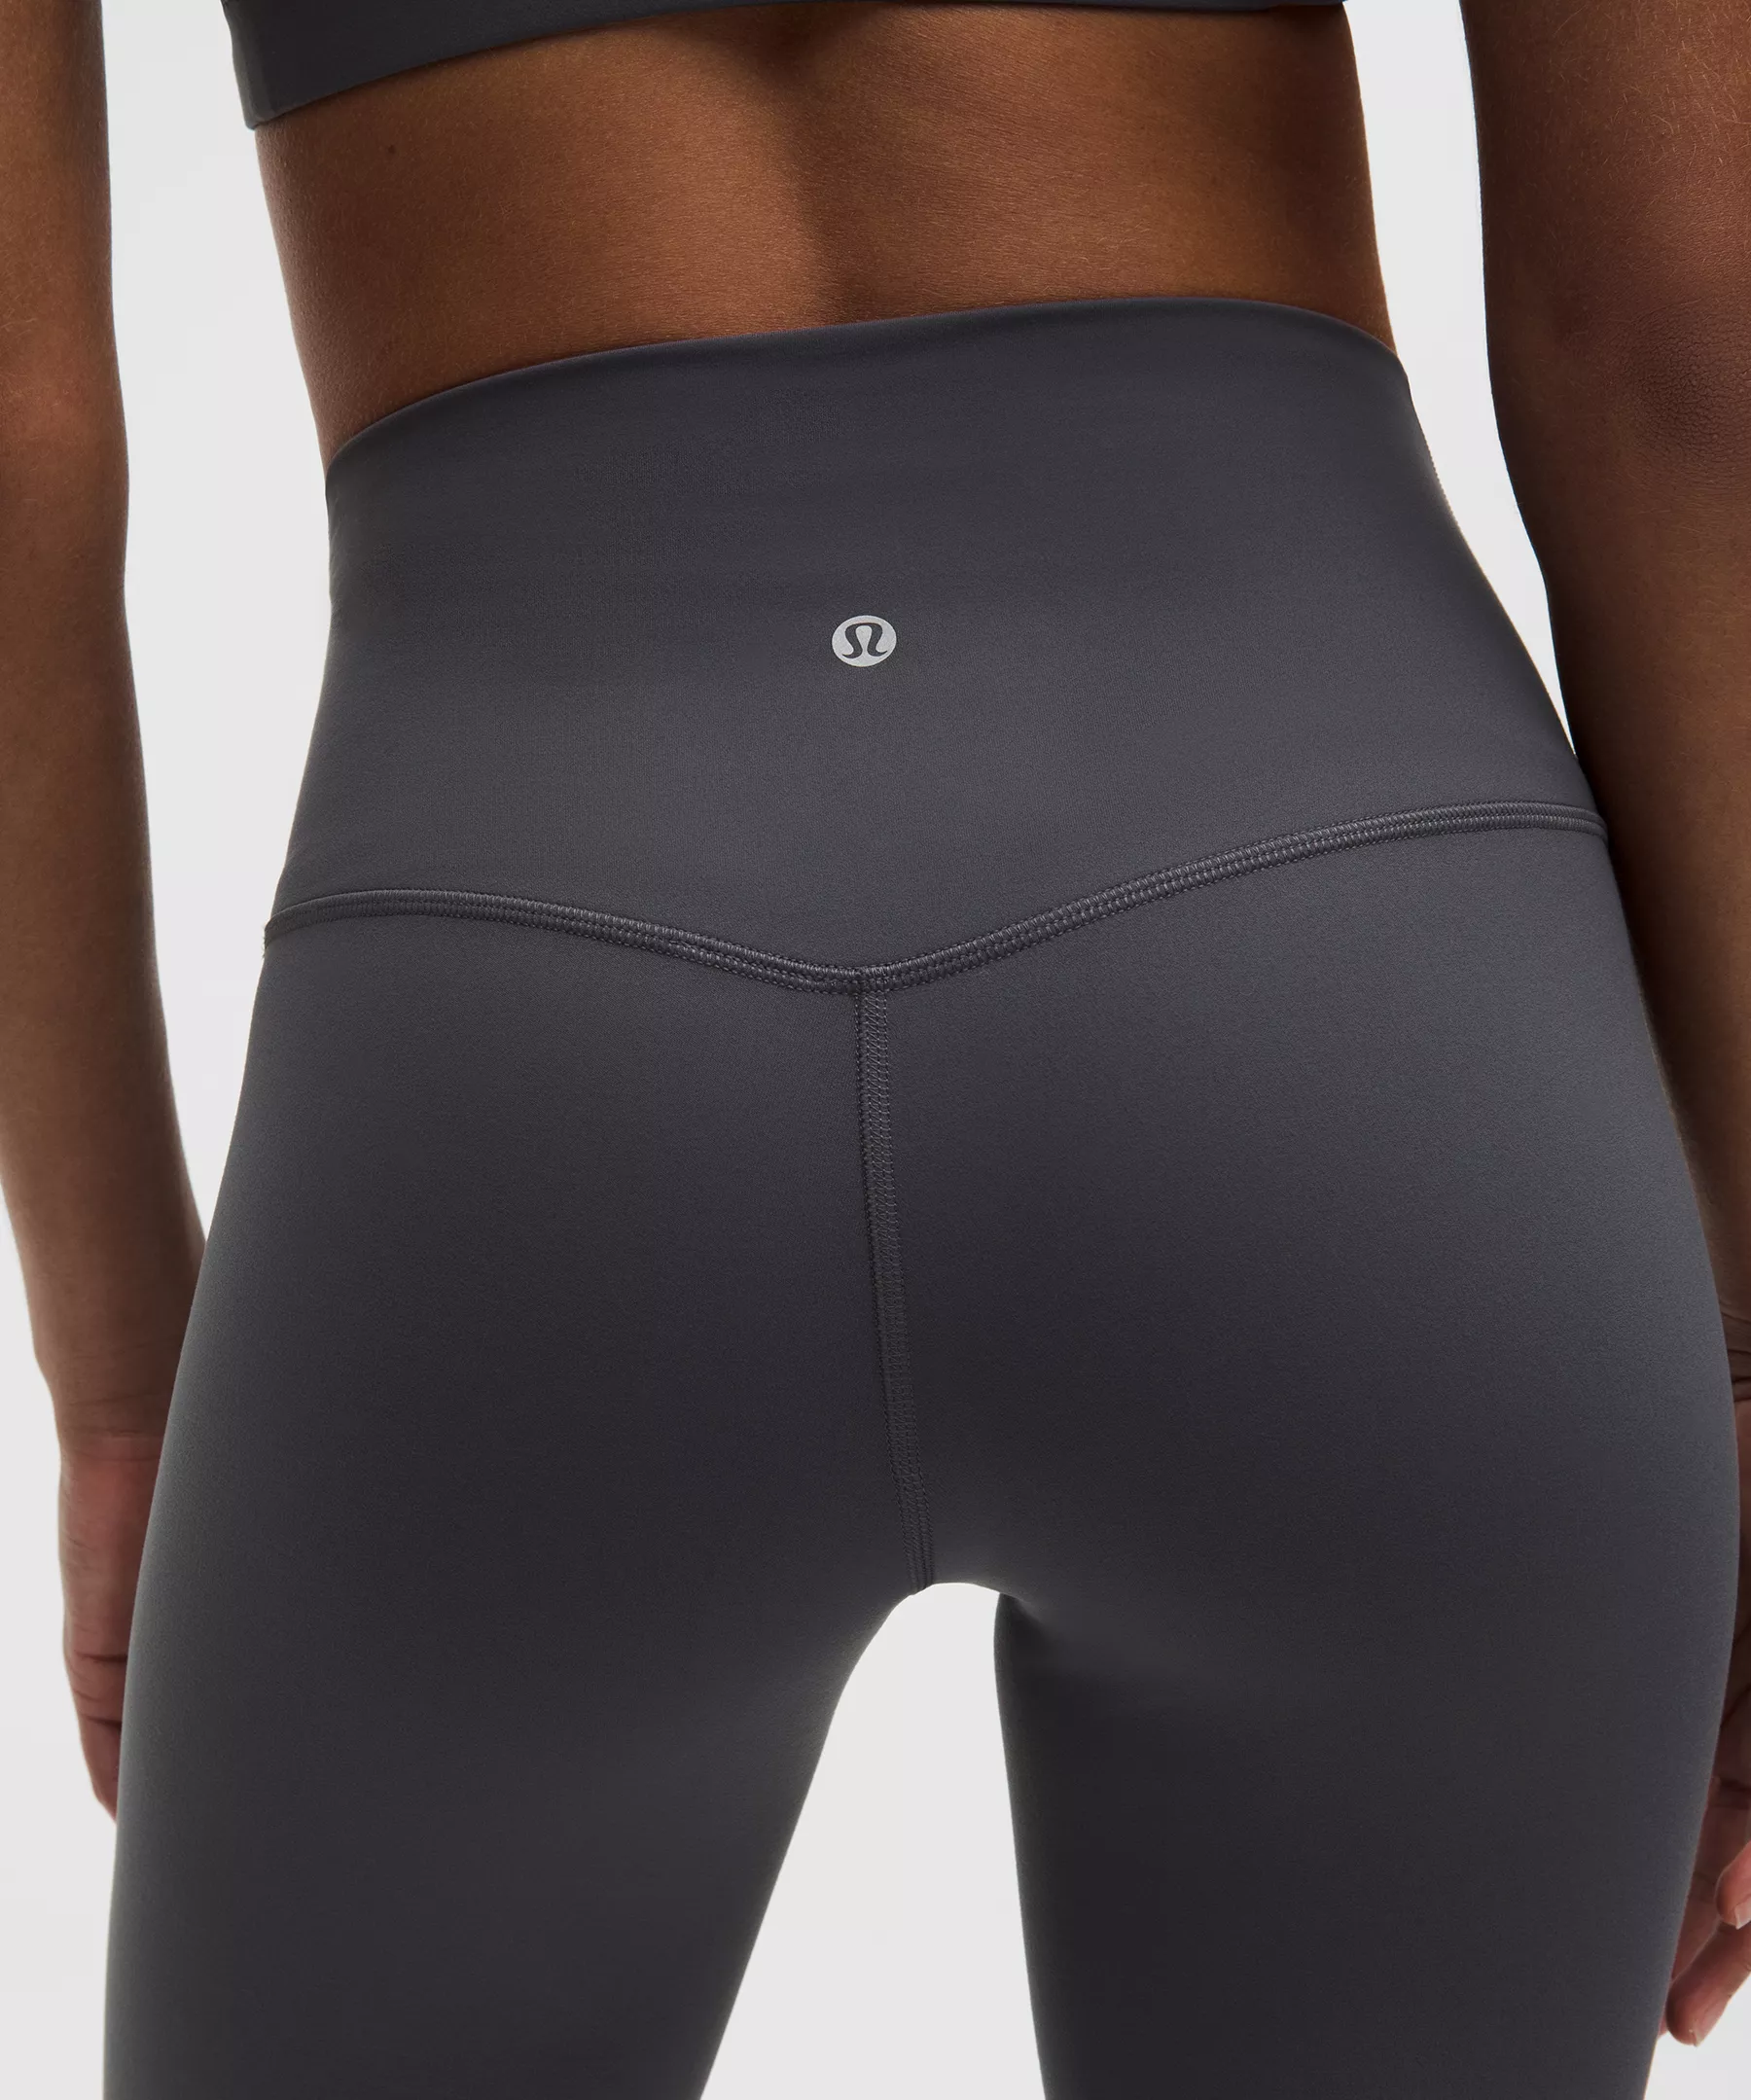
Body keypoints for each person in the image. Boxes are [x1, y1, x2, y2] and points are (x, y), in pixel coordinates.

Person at [4, 0, 1750, 2091]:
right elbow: (1678, 322)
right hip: (1363, 990)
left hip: (528, 1018)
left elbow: (11, 441)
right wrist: (1740, 1345)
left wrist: (125, 1385)